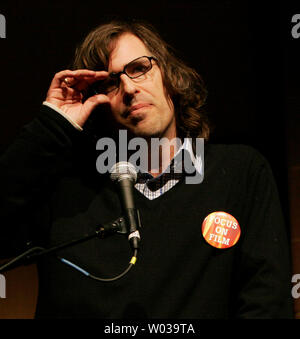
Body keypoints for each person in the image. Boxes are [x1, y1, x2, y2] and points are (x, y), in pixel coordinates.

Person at [0, 19, 294, 318]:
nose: (128, 88)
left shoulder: (239, 172)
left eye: (139, 68)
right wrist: (52, 124)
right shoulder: (66, 187)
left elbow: (267, 303)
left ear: (168, 74)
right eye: (110, 83)